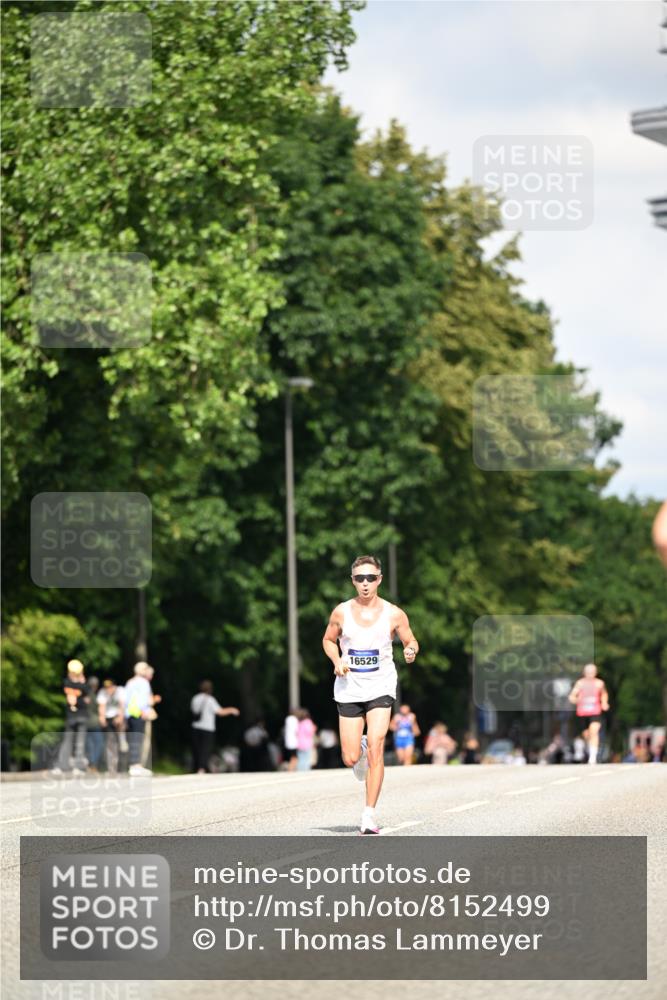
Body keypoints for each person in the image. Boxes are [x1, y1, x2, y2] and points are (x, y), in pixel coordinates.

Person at [322, 554, 419, 835]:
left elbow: (410, 639)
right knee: (351, 758)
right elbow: (328, 640)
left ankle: (368, 815)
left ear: (380, 579)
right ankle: (359, 751)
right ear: (352, 581)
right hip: (349, 688)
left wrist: (411, 649)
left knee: (377, 744)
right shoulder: (341, 612)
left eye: (370, 578)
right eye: (359, 578)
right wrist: (337, 660)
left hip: (381, 686)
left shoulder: (394, 613)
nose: (365, 584)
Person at [190, 681, 240, 774]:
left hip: (196, 727)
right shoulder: (210, 700)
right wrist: (232, 710)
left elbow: (193, 711)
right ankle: (201, 768)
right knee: (205, 749)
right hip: (207, 728)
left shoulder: (195, 698)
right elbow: (220, 712)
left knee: (197, 748)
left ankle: (195, 767)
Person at [52, 659, 89, 774]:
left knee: (67, 741)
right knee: (80, 742)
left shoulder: (66, 683)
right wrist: (82, 681)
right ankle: (78, 767)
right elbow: (86, 696)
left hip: (71, 715)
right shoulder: (82, 685)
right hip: (81, 715)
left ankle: (61, 765)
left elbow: (68, 685)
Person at [568, 662, 610, 765]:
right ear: (584, 673)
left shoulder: (599, 683)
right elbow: (572, 696)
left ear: (595, 673)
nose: (590, 674)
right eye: (588, 672)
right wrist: (576, 700)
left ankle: (592, 757)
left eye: (592, 672)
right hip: (583, 712)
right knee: (586, 735)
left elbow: (604, 694)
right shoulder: (580, 683)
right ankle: (589, 749)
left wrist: (604, 703)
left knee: (594, 732)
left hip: (595, 711)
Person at [124, 661, 154, 776]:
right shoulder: (144, 682)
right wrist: (144, 711)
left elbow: (126, 699)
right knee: (138, 739)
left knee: (132, 739)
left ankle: (133, 764)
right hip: (139, 713)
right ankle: (135, 765)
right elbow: (144, 699)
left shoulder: (130, 682)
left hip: (130, 713)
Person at [97, 679, 125, 774]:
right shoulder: (102, 692)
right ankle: (111, 768)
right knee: (109, 743)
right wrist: (102, 718)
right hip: (108, 718)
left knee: (121, 742)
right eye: (106, 688)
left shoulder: (120, 691)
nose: (108, 690)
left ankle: (122, 766)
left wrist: (120, 717)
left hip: (119, 716)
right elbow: (102, 706)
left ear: (114, 686)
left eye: (110, 687)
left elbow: (122, 705)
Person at [85, 676, 103, 772]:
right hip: (94, 722)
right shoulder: (94, 696)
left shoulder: (85, 694)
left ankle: (90, 763)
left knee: (89, 744)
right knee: (99, 743)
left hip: (85, 722)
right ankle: (93, 763)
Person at [283, 708, 299, 772]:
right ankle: (291, 768)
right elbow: (296, 729)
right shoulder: (294, 719)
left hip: (288, 740)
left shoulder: (287, 719)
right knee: (294, 756)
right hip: (293, 740)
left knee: (291, 755)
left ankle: (291, 767)